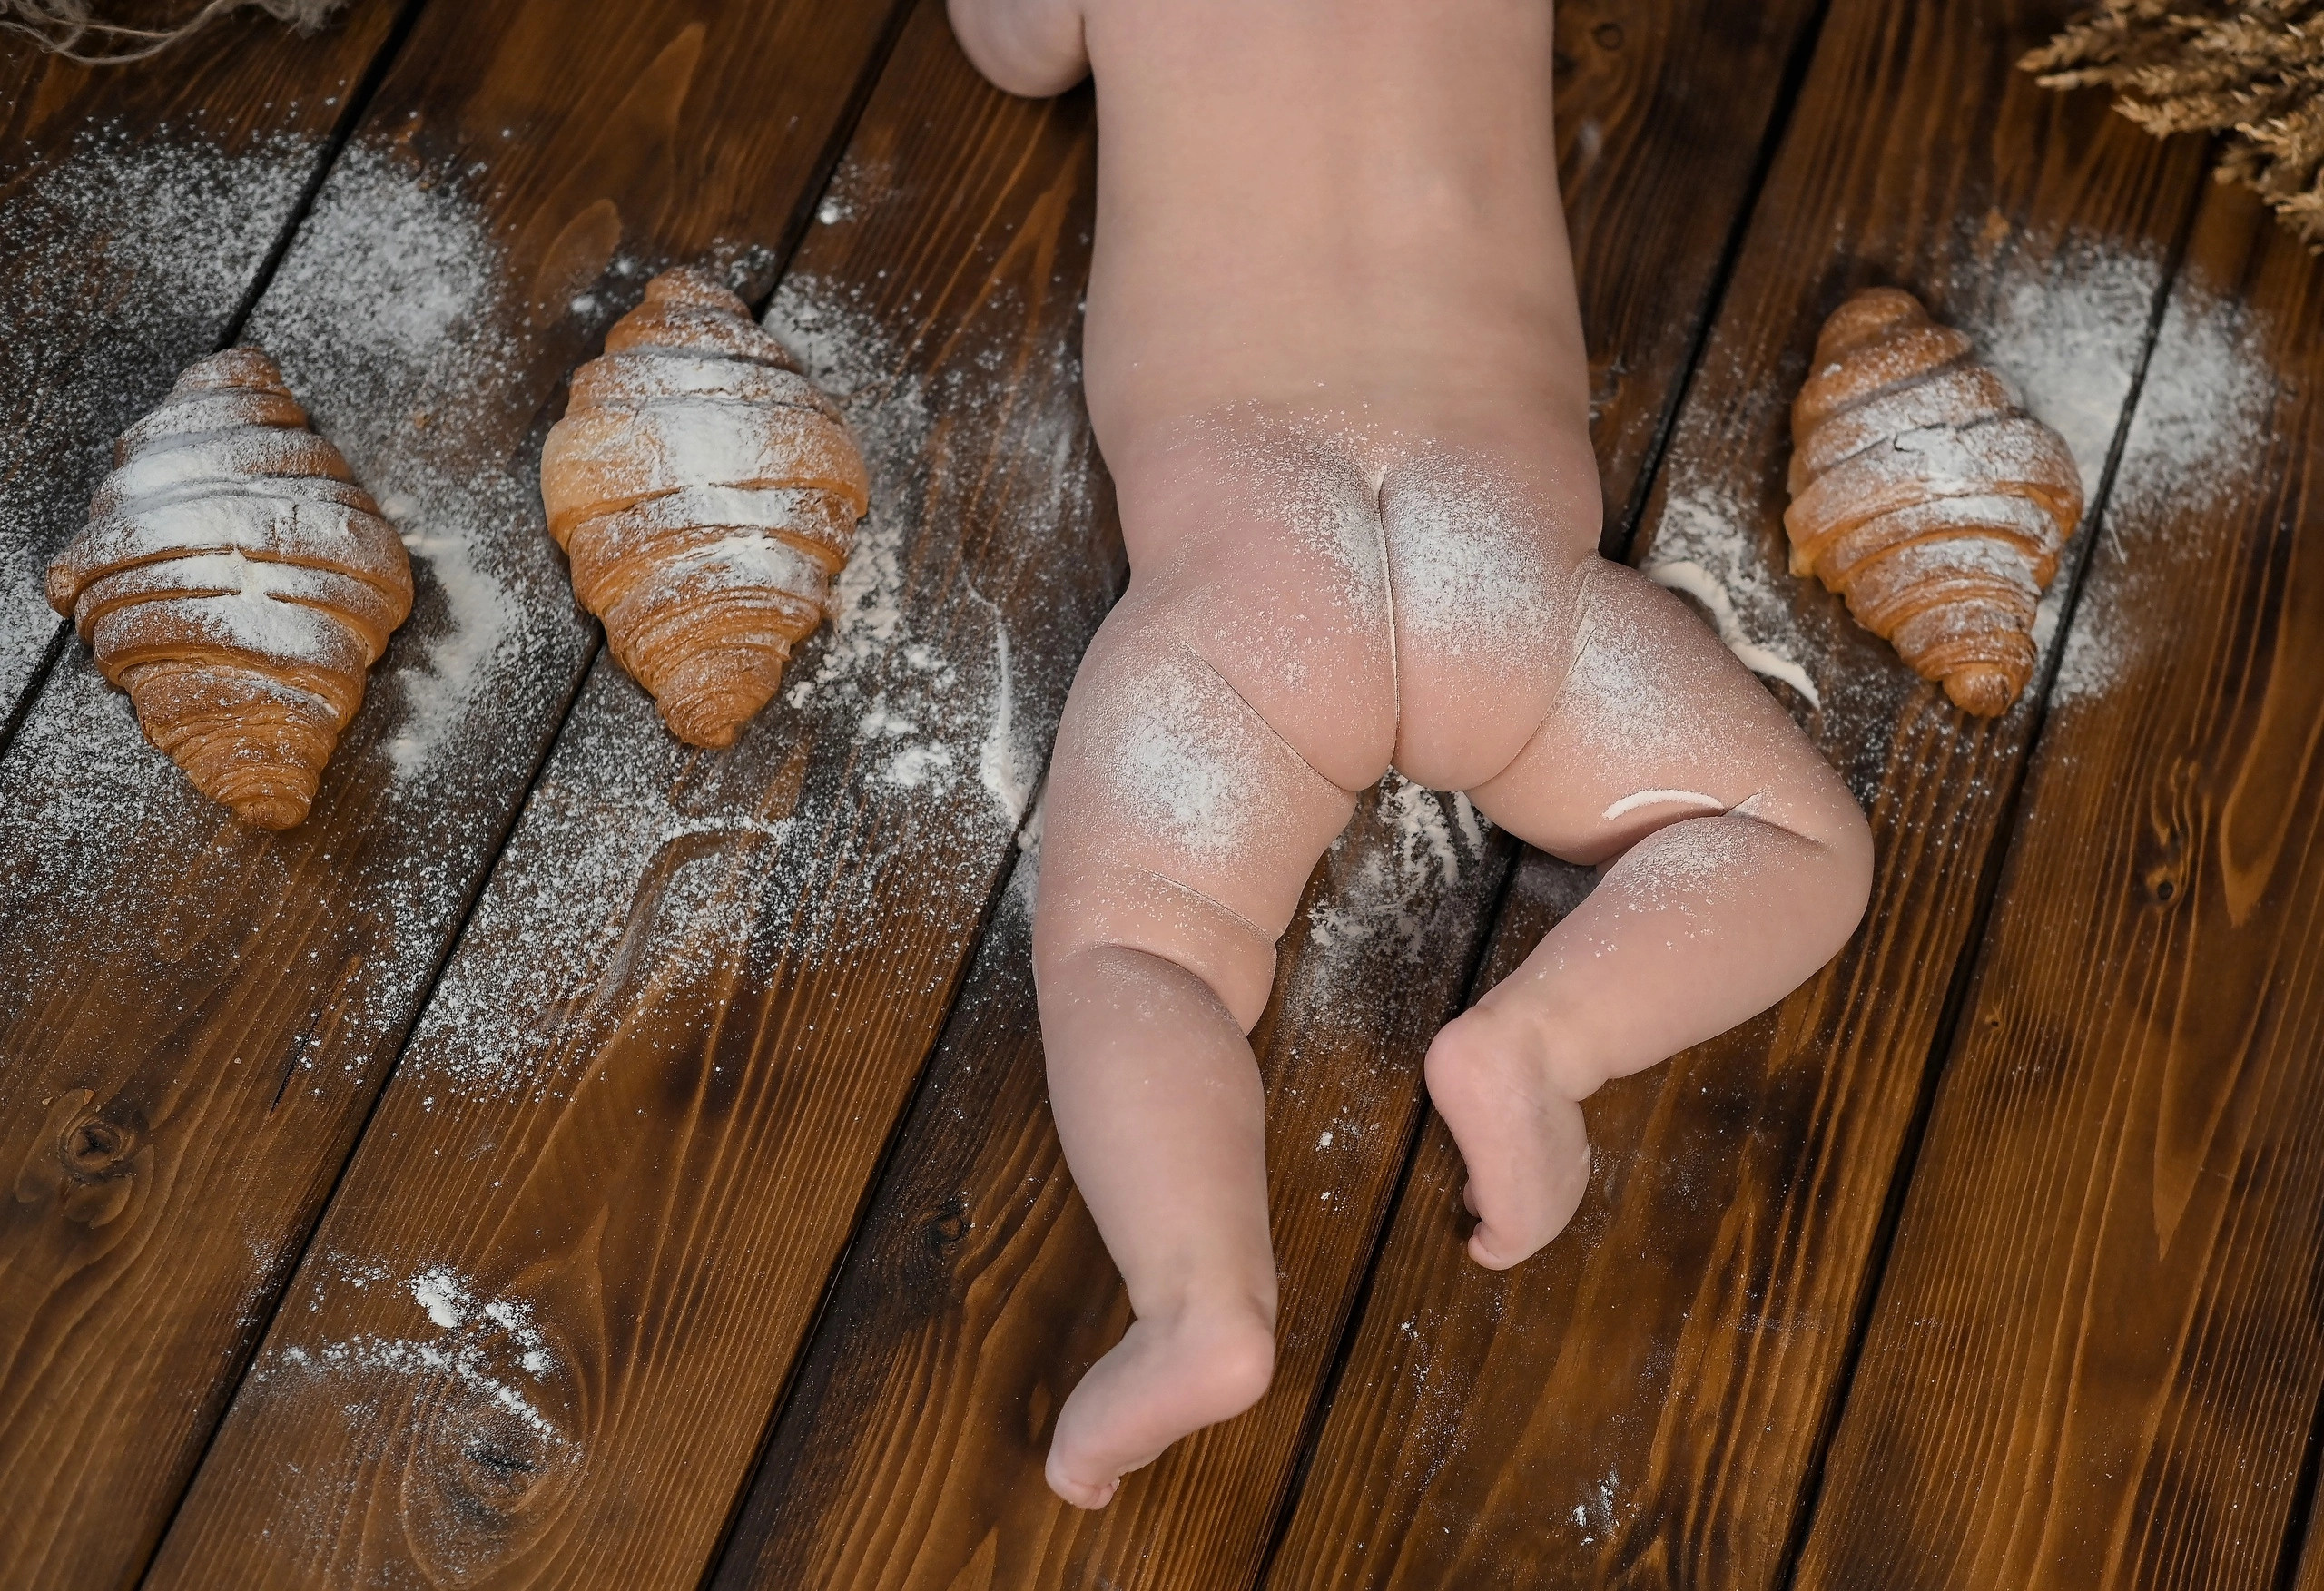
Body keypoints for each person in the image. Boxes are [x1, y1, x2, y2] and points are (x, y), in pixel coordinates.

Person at [946, 0, 1875, 1510]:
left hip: (1253, 572)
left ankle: (1199, 1300)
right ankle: (1535, 1047)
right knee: (1799, 843)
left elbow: (1016, 46)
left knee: (1135, 948)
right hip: (1494, 557)